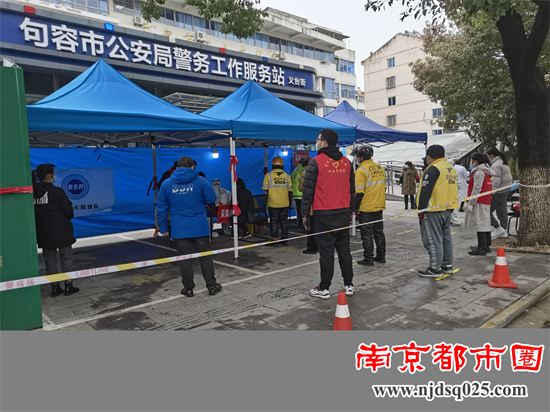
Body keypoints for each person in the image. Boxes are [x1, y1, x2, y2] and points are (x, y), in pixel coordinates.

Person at [301, 129, 355, 298]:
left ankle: (324, 288)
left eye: (318, 140)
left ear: (324, 142)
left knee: (326, 252)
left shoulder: (316, 162)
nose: (317, 142)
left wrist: (305, 214)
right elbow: (352, 189)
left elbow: (307, 191)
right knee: (344, 250)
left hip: (323, 213)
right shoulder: (346, 162)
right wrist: (351, 210)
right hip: (343, 212)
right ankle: (349, 284)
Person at [157, 156, 222, 297]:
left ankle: (188, 288)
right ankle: (211, 286)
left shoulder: (166, 184)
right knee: (205, 257)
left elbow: (161, 208)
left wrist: (163, 228)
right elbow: (211, 198)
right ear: (193, 167)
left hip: (179, 228)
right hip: (199, 226)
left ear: (177, 168)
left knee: (185, 259)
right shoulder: (201, 181)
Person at [32, 164, 80, 297]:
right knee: (66, 258)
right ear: (49, 176)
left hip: (43, 232)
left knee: (50, 261)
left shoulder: (32, 193)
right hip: (61, 231)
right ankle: (68, 286)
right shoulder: (57, 191)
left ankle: (55, 288)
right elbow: (69, 212)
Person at [416, 145, 459, 277]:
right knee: (446, 238)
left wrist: (421, 210)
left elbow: (425, 191)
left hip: (433, 209)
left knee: (432, 239)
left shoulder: (433, 169)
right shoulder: (450, 168)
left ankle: (434, 268)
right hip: (447, 209)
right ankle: (447, 264)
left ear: (429, 157)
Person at [352, 144, 387, 266]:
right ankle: (381, 256)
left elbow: (359, 192)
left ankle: (368, 258)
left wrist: (354, 208)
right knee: (379, 233)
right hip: (379, 206)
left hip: (366, 207)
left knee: (366, 234)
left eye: (357, 156)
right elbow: (384, 187)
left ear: (361, 157)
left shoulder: (361, 171)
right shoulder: (380, 168)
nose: (357, 158)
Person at [466, 153, 495, 256]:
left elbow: (476, 188)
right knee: (485, 222)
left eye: (472, 160)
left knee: (480, 224)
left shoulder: (479, 172)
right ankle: (486, 245)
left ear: (476, 161)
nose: (471, 163)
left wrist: (471, 202)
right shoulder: (487, 171)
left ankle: (482, 247)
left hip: (479, 200)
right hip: (485, 199)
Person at [262, 156, 293, 244]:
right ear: (282, 165)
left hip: (273, 203)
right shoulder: (287, 176)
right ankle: (284, 239)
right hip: (284, 202)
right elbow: (290, 191)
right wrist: (289, 202)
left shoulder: (268, 175)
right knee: (284, 222)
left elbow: (265, 189)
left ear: (272, 164)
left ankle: (274, 239)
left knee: (274, 221)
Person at [486, 147, 513, 239]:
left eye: (487, 156)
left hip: (499, 191)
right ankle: (503, 230)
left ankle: (498, 227)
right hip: (505, 189)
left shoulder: (496, 165)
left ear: (491, 156)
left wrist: (491, 193)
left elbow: (495, 181)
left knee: (487, 211)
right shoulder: (502, 162)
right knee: (502, 210)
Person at [298, 172, 318, 255]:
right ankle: (318, 247)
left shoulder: (305, 174)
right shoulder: (321, 173)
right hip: (321, 206)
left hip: (311, 207)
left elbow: (300, 188)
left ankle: (311, 248)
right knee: (319, 229)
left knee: (310, 229)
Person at [291, 157, 310, 233]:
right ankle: (303, 226)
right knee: (304, 212)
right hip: (302, 193)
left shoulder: (295, 169)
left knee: (299, 211)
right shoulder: (303, 170)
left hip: (296, 193)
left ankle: (300, 225)